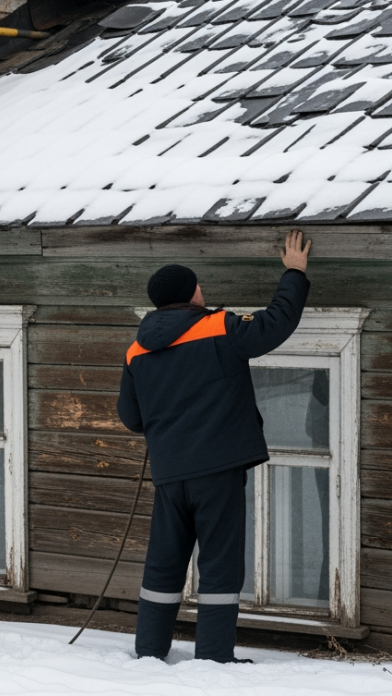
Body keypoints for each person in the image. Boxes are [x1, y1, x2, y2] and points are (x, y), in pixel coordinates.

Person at [117, 230, 312, 663]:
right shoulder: (217, 327)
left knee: (164, 564)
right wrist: (294, 274)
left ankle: (149, 652)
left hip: (170, 476)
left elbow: (131, 418)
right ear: (193, 292)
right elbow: (275, 324)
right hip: (217, 471)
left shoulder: (136, 350)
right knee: (220, 563)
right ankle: (214, 658)